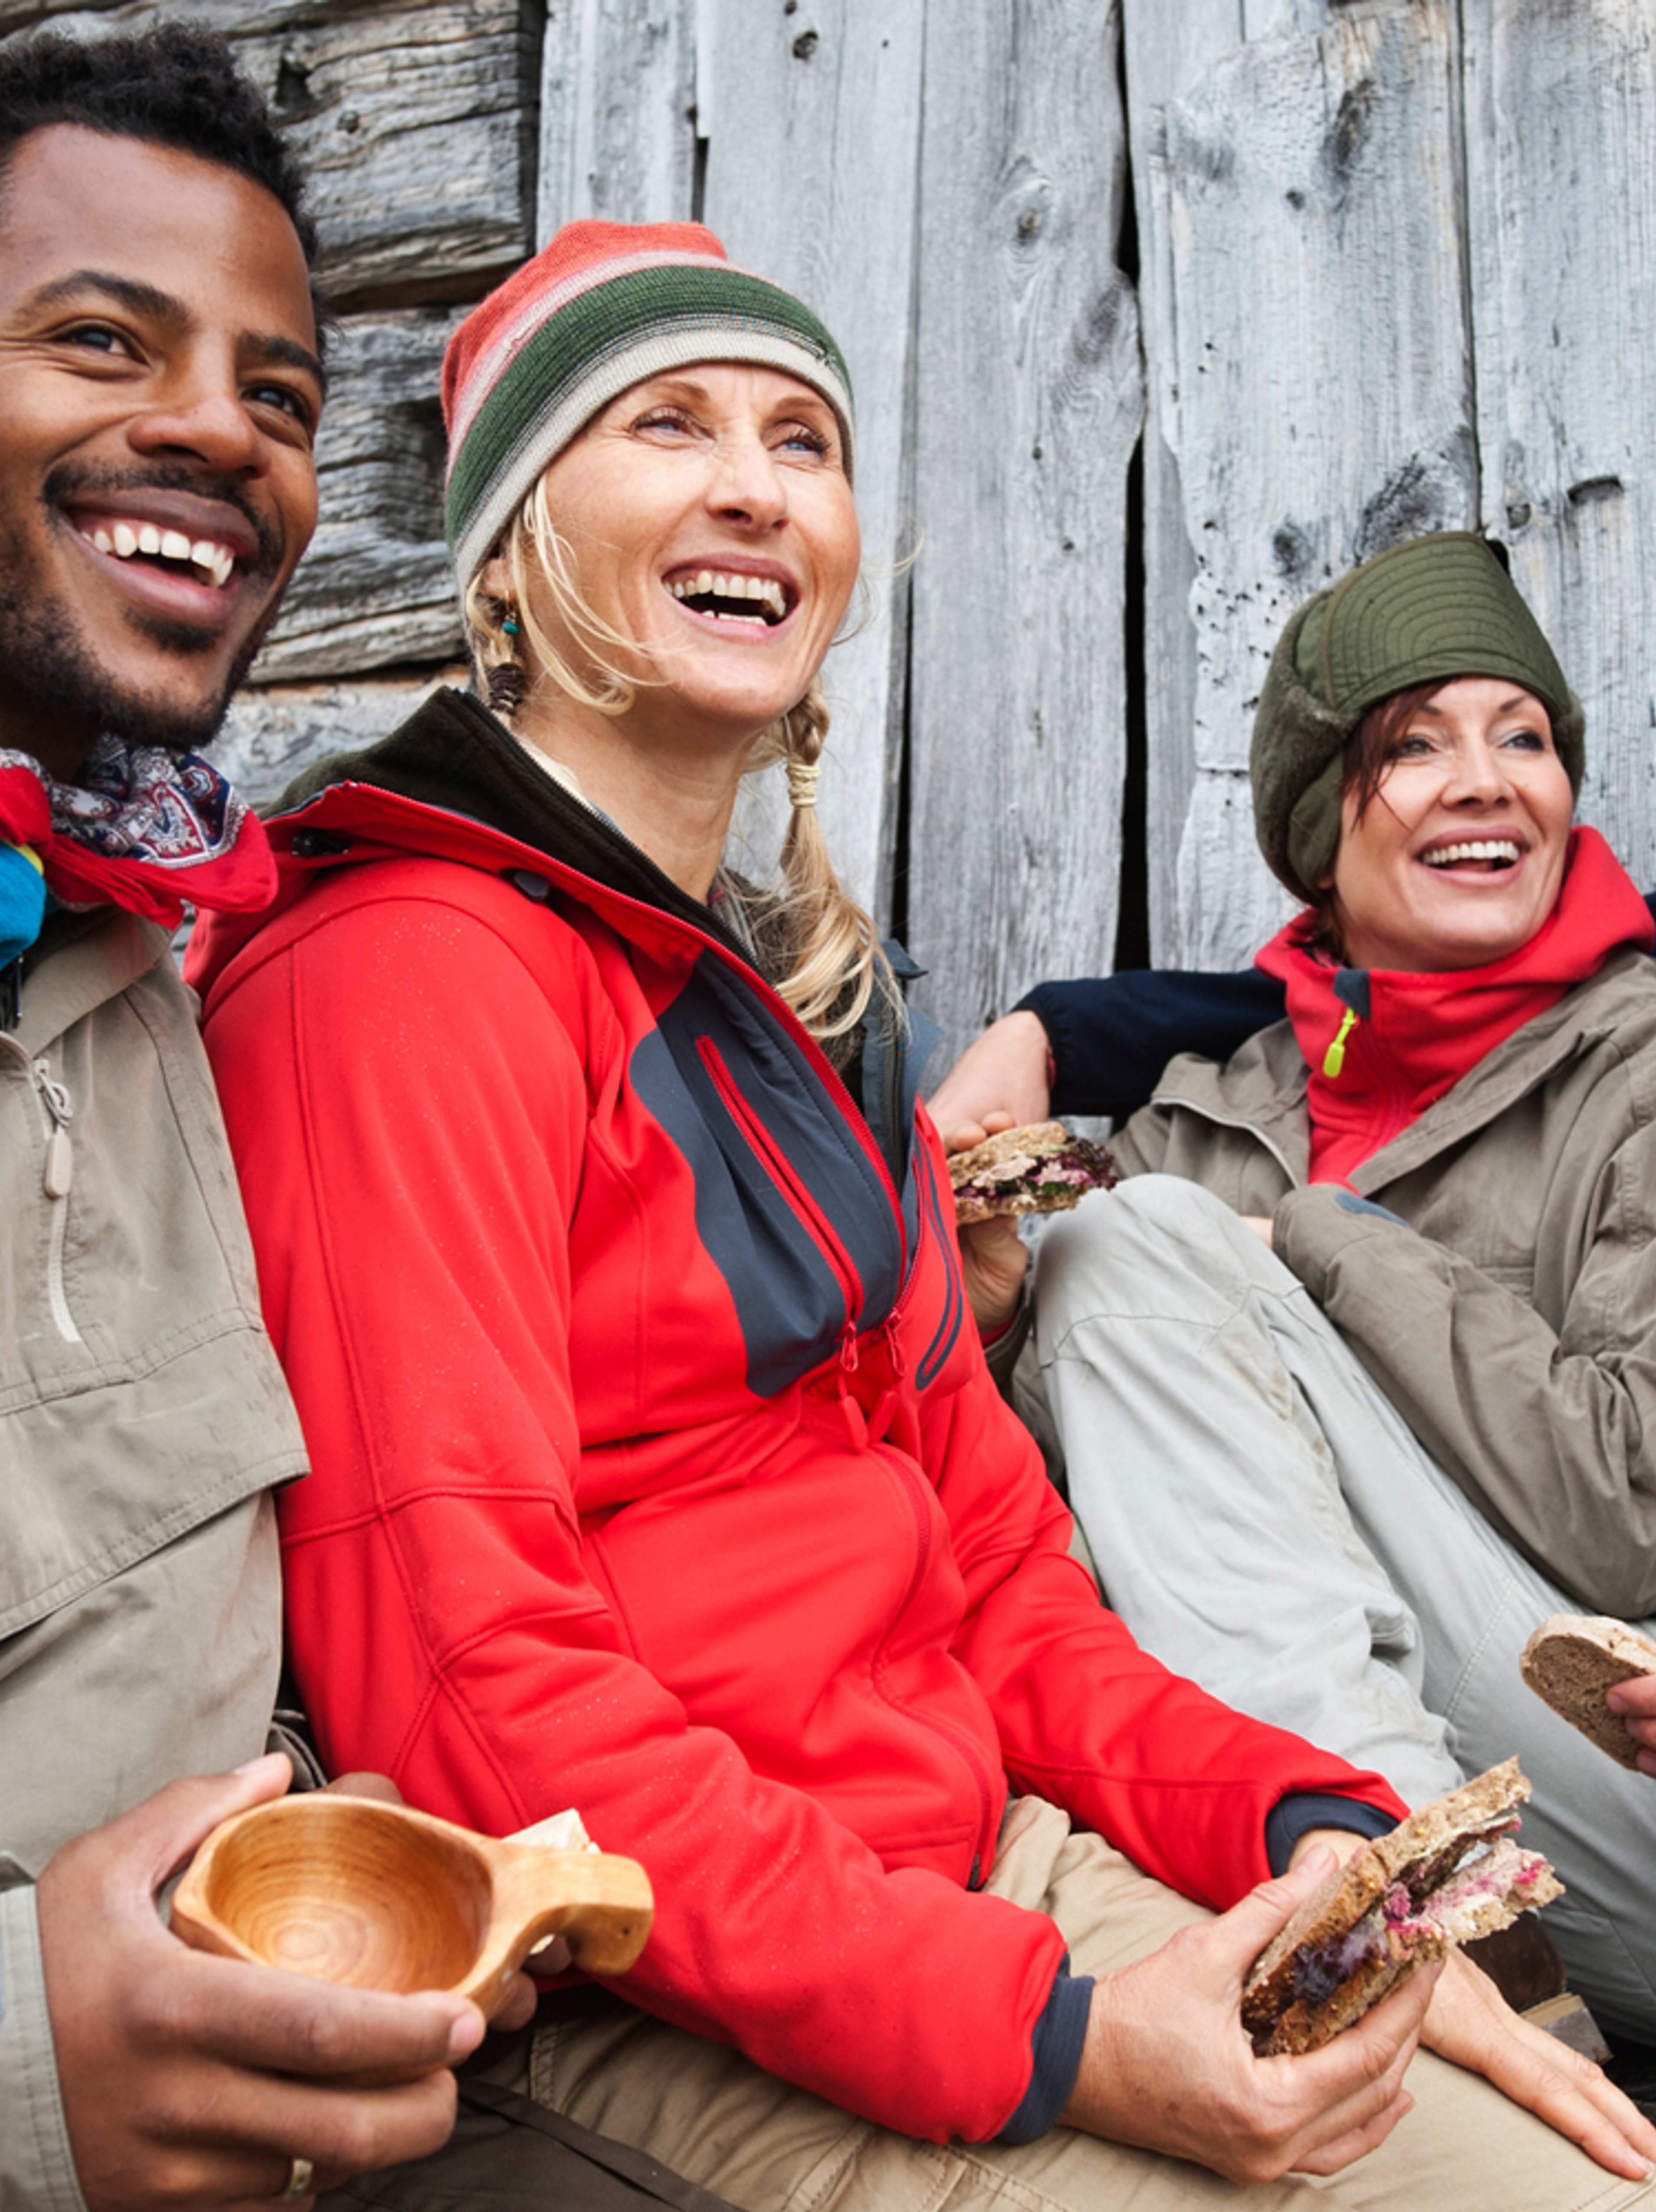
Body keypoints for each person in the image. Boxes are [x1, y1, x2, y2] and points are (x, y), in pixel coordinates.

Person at [190, 235, 1656, 2208]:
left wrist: (1306, 1825)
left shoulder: (811, 1015)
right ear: (514, 547)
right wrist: (1054, 2030)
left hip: (990, 1868)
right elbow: (479, 1697)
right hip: (674, 1968)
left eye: (805, 435)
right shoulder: (400, 973)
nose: (757, 483)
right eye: (669, 424)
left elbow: (1001, 1566)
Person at [0, 29, 530, 2208]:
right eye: (98, 340)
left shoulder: (167, 956)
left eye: (284, 396)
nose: (219, 427)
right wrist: (28, 2060)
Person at [935, 531, 1656, 2043]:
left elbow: (1630, 1510)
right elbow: (1064, 1526)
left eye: (1522, 737)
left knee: (1132, 1242)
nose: (1486, 781)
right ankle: (1411, 1919)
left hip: (1610, 1763)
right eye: (1414, 746)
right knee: (1104, 1248)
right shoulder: (1199, 1109)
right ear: (1321, 823)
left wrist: (1315, 1245)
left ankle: (1395, 1918)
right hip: (1323, 1787)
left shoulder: (1638, 1072)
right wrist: (994, 1315)